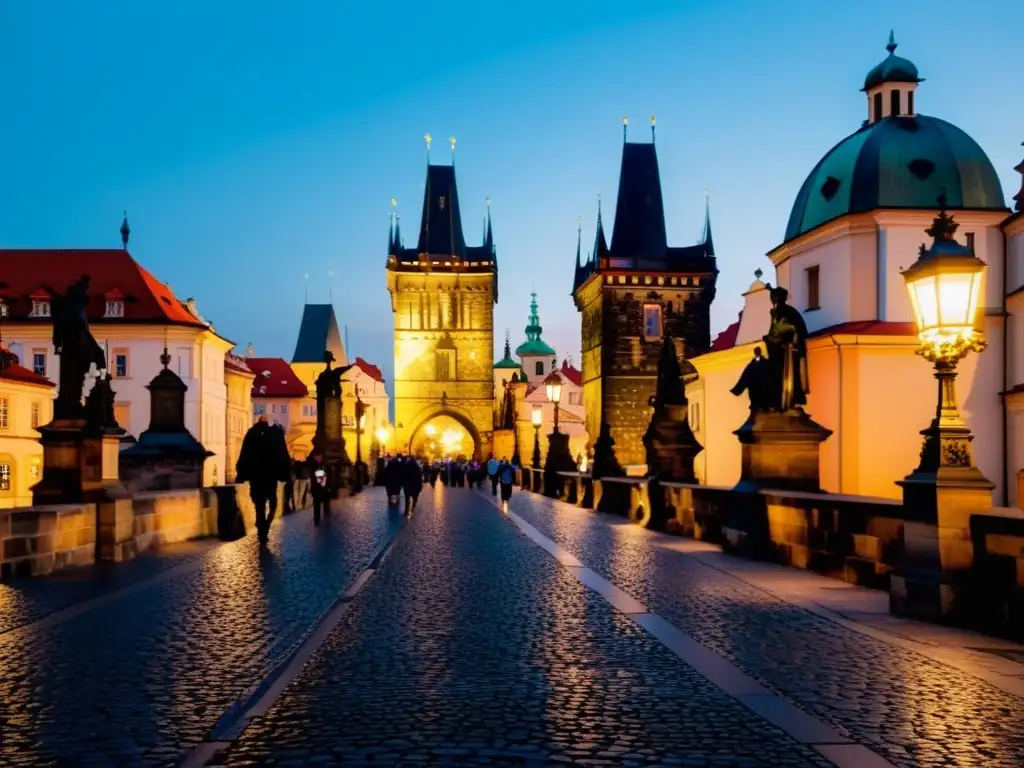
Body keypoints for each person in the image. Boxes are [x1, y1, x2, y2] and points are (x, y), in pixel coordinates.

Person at [236, 415, 291, 543]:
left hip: (256, 476)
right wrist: (285, 473)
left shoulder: (251, 433)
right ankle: (265, 526)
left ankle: (261, 528)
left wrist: (241, 474)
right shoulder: (274, 434)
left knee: (259, 506)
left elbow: (244, 454)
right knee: (273, 504)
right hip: (270, 475)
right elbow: (283, 454)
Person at [305, 450, 331, 524]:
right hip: (316, 489)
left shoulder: (325, 465)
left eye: (319, 457)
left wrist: (329, 486)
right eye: (316, 457)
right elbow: (312, 478)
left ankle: (326, 517)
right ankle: (317, 520)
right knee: (317, 505)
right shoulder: (313, 466)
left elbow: (329, 476)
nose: (318, 458)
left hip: (325, 489)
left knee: (326, 504)